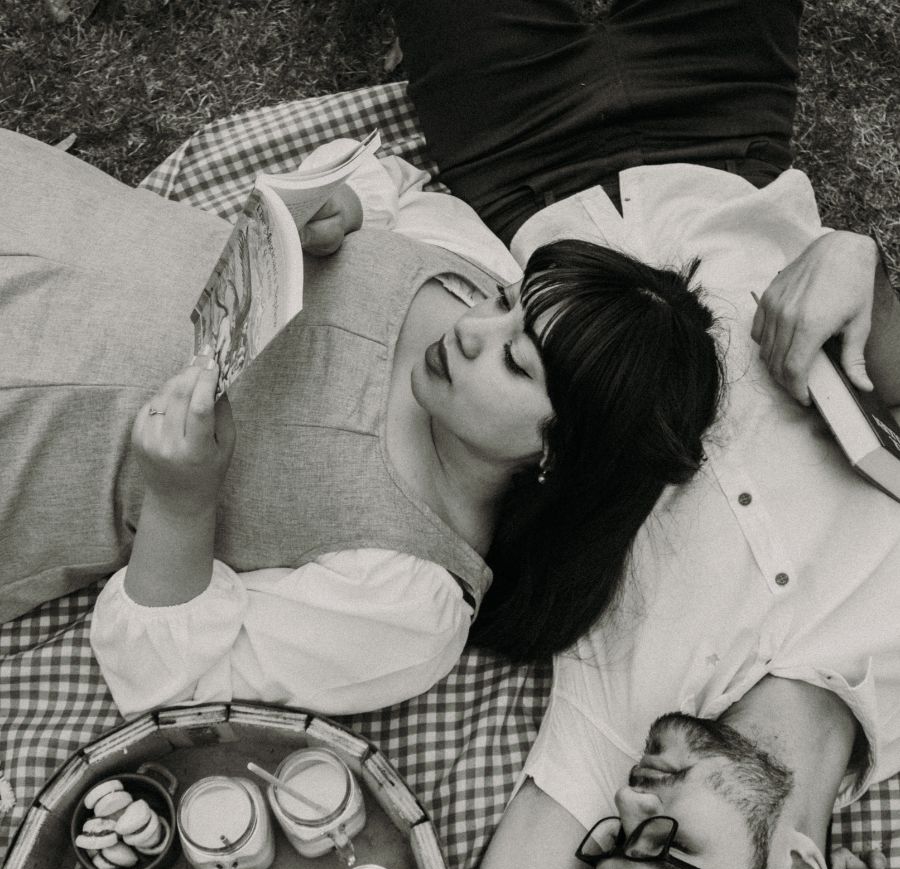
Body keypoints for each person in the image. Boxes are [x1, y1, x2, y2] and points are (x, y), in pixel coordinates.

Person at [357, 0, 900, 869]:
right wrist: (859, 263)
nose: (632, 805)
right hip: (727, 134)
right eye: (663, 844)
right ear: (796, 866)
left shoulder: (625, 714)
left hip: (521, 166)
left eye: (614, 842)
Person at [0, 129, 721, 719]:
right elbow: (385, 181)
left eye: (515, 361)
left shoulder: (408, 597)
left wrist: (180, 502)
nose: (476, 327)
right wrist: (336, 204)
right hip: (52, 216)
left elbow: (163, 674)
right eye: (508, 299)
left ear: (556, 456)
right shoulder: (463, 265)